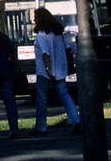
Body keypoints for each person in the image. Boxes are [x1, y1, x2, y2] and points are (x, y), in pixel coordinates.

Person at [33, 7, 81, 136]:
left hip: (44, 71)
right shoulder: (58, 34)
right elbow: (67, 48)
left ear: (41, 19)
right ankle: (76, 121)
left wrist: (48, 69)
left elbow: (45, 54)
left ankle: (41, 127)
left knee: (42, 99)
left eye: (36, 17)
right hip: (60, 68)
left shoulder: (41, 35)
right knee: (64, 95)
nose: (34, 20)